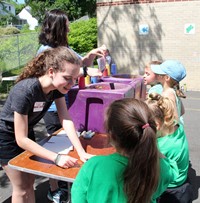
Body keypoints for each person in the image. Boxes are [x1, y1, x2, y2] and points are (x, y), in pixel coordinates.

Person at [0, 47, 93, 203]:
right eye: (67, 78)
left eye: (75, 78)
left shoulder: (56, 89)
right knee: (21, 188)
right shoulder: (25, 91)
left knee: (29, 183)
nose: (72, 83)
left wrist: (80, 151)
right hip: (6, 137)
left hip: (26, 132)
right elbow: (20, 139)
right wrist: (56, 158)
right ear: (51, 71)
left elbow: (66, 120)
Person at [37, 9, 107, 201]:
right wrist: (85, 70)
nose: (69, 28)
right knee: (56, 149)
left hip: (63, 103)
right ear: (58, 26)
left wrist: (91, 55)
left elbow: (78, 64)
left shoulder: (64, 49)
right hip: (52, 109)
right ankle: (54, 188)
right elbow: (77, 69)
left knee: (69, 144)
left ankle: (62, 183)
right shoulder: (46, 52)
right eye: (66, 24)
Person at [71, 98, 178, 203]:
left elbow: (78, 198)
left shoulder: (93, 166)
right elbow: (173, 170)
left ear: (111, 136)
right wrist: (153, 145)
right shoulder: (160, 167)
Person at [146, 93, 192, 203]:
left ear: (156, 125)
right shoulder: (177, 127)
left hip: (170, 192)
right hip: (184, 185)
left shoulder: (160, 146)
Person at [150, 60, 186, 125]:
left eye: (160, 73)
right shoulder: (174, 91)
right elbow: (182, 111)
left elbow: (174, 119)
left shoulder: (167, 94)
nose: (157, 74)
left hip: (170, 133)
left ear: (167, 77)